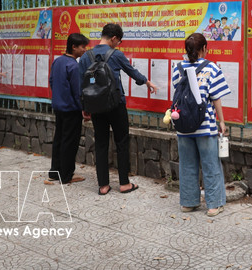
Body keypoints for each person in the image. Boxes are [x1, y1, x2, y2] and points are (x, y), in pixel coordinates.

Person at [78, 23, 158, 195]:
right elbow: (132, 72)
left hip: (96, 106)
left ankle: (103, 186)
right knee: (122, 142)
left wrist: (84, 107)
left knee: (100, 143)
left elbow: (81, 84)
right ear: (113, 38)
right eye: (118, 41)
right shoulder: (116, 55)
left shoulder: (86, 56)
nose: (118, 44)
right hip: (116, 104)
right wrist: (146, 82)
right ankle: (124, 183)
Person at [173, 32, 230, 217]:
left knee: (187, 164)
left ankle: (188, 203)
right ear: (204, 48)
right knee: (210, 164)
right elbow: (216, 98)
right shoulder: (211, 68)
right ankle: (214, 205)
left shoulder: (178, 68)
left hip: (183, 125)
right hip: (205, 126)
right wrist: (221, 121)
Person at [46, 33, 90, 185]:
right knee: (70, 143)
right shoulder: (73, 66)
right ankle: (66, 175)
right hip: (71, 109)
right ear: (74, 47)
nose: (84, 50)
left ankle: (55, 171)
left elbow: (51, 81)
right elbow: (78, 91)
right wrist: (84, 109)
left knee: (59, 139)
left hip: (58, 107)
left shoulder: (58, 61)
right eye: (82, 47)